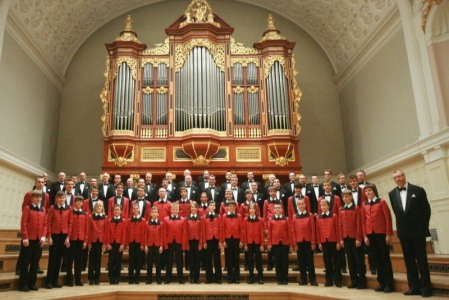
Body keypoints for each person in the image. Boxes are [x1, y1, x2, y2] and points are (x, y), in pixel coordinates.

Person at [389, 170, 432, 297]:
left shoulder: (418, 190)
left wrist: (423, 228)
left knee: (422, 260)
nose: (398, 178)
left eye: (400, 176)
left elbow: (426, 210)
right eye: (395, 177)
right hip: (403, 233)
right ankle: (414, 287)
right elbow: (398, 213)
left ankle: (426, 288)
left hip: (418, 232)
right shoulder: (392, 194)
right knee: (409, 261)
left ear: (404, 176)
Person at [361, 184, 394, 293]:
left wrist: (388, 234)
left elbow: (387, 218)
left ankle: (389, 284)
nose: (368, 193)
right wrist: (365, 235)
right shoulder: (364, 204)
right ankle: (381, 283)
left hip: (381, 234)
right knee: (376, 259)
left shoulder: (381, 202)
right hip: (370, 235)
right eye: (366, 191)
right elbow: (363, 221)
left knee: (385, 259)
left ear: (374, 191)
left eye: (369, 190)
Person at [18, 190, 47, 292]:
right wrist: (25, 237)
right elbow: (24, 223)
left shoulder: (43, 209)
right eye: (36, 197)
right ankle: (23, 284)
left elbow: (45, 225)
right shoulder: (27, 208)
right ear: (32, 198)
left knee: (35, 263)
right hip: (28, 240)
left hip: (38, 241)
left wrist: (43, 237)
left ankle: (32, 283)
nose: (39, 199)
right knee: (25, 262)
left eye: (40, 197)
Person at [339, 189, 366, 289]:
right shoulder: (341, 209)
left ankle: (362, 281)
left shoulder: (356, 208)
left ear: (351, 197)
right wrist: (341, 238)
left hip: (355, 238)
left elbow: (359, 223)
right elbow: (340, 224)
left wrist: (359, 238)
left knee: (359, 260)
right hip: (346, 238)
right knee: (350, 260)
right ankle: (354, 280)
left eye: (346, 196)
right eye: (343, 197)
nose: (345, 199)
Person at [46, 191, 72, 289]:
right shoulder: (52, 208)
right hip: (54, 236)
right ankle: (49, 281)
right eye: (60, 197)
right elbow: (48, 223)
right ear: (56, 198)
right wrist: (49, 236)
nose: (61, 199)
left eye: (63, 197)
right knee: (53, 259)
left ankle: (55, 280)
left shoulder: (69, 208)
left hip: (63, 236)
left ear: (65, 199)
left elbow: (70, 223)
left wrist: (68, 237)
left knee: (59, 259)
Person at [291, 198, 317, 286]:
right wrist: (294, 243)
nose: (301, 206)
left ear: (305, 205)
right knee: (301, 262)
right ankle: (303, 279)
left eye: (302, 204)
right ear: (297, 206)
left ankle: (313, 280)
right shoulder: (294, 216)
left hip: (308, 241)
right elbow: (293, 231)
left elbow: (313, 229)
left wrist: (313, 242)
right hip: (299, 242)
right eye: (299, 204)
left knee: (310, 262)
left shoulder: (310, 215)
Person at [316, 199, 342, 287]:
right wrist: (319, 242)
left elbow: (337, 230)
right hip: (324, 242)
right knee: (327, 262)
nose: (323, 207)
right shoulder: (318, 217)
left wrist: (338, 242)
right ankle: (329, 280)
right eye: (321, 206)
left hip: (333, 241)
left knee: (336, 261)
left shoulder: (334, 216)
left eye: (325, 205)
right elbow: (318, 231)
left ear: (328, 206)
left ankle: (337, 280)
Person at [267, 203, 292, 285]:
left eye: (279, 208)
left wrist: (290, 244)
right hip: (275, 243)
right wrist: (269, 243)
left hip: (284, 243)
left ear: (282, 210)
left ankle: (285, 278)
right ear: (274, 210)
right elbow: (269, 233)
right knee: (277, 261)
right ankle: (279, 278)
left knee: (284, 261)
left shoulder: (286, 219)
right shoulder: (271, 219)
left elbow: (289, 232)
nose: (277, 209)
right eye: (276, 208)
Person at [66, 196, 88, 286]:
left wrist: (85, 241)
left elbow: (86, 228)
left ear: (82, 203)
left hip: (81, 240)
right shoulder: (70, 212)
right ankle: (69, 280)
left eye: (80, 201)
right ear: (74, 202)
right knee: (70, 260)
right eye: (77, 201)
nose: (79, 203)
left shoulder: (85, 213)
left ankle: (78, 280)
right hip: (72, 239)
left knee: (79, 261)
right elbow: (68, 225)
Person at [164, 202, 187, 284]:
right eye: (173, 209)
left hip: (179, 242)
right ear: (170, 210)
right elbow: (164, 232)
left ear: (178, 210)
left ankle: (180, 278)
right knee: (169, 261)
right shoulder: (166, 219)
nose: (174, 210)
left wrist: (184, 245)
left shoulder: (183, 219)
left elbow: (184, 233)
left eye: (176, 209)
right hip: (169, 242)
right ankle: (168, 278)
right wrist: (165, 244)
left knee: (179, 261)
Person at [242, 203, 264, 284]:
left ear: (255, 210)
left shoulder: (260, 220)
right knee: (250, 260)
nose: (252, 210)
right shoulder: (245, 219)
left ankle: (260, 276)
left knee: (259, 260)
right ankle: (251, 276)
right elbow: (244, 233)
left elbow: (261, 233)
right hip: (249, 243)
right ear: (249, 210)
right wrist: (245, 244)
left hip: (258, 243)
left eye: (253, 209)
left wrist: (262, 244)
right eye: (250, 209)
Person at [105, 204, 127, 285]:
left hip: (119, 244)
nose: (116, 211)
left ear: (120, 211)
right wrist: (107, 244)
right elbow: (107, 233)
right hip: (111, 244)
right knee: (111, 262)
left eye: (118, 210)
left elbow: (124, 233)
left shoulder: (124, 221)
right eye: (115, 210)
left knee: (118, 262)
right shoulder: (109, 220)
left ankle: (117, 278)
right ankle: (111, 278)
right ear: (113, 211)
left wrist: (122, 244)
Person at [221, 201, 242, 284]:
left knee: (236, 259)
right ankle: (229, 277)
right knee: (228, 259)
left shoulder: (239, 216)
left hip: (236, 239)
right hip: (228, 239)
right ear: (228, 207)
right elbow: (222, 229)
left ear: (235, 207)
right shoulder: (224, 216)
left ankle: (237, 277)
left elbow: (241, 229)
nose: (232, 207)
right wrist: (223, 240)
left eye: (234, 206)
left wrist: (241, 240)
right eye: (231, 206)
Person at [202, 201, 223, 284]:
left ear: (215, 207)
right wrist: (204, 241)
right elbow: (203, 230)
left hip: (216, 240)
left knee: (217, 260)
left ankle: (218, 278)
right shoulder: (204, 217)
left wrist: (220, 241)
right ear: (208, 207)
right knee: (208, 260)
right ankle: (209, 278)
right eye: (210, 205)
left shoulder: (218, 216)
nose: (212, 206)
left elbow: (221, 229)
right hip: (208, 240)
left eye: (213, 205)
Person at [87, 200, 107, 285]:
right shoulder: (90, 217)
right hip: (92, 241)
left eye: (100, 206)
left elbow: (106, 231)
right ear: (95, 207)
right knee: (91, 260)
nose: (99, 208)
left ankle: (97, 278)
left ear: (102, 208)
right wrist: (88, 242)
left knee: (98, 260)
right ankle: (91, 278)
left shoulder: (105, 217)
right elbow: (88, 230)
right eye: (98, 206)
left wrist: (104, 244)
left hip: (100, 241)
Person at [144, 206, 165, 285]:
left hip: (158, 245)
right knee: (149, 263)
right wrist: (145, 245)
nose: (154, 213)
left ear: (158, 214)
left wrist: (161, 246)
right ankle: (149, 279)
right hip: (149, 245)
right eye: (152, 212)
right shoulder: (146, 223)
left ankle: (158, 279)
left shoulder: (161, 223)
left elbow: (162, 235)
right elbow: (145, 235)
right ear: (150, 214)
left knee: (158, 263)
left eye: (155, 212)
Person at [127, 203, 146, 284]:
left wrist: (142, 244)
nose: (135, 210)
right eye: (134, 208)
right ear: (132, 210)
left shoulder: (143, 220)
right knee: (131, 261)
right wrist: (127, 244)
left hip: (139, 243)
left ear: (139, 210)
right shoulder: (129, 220)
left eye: (136, 208)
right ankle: (131, 278)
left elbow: (144, 233)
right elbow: (127, 232)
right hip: (131, 242)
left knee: (138, 261)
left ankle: (137, 278)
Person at [186, 202, 202, 283]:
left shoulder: (200, 218)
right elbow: (185, 232)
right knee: (191, 260)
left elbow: (202, 232)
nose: (193, 209)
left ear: (197, 209)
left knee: (197, 261)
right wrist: (187, 244)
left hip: (198, 242)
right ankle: (192, 277)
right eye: (192, 207)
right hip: (190, 241)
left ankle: (197, 278)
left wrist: (200, 243)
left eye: (195, 207)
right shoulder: (187, 218)